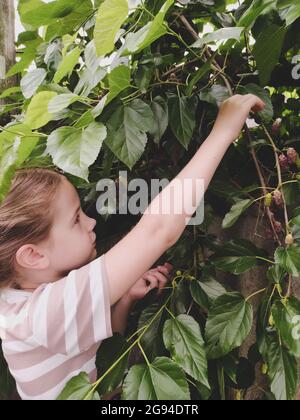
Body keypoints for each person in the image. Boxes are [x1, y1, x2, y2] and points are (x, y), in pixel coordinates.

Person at [0, 94, 265, 399]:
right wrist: (223, 132)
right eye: (75, 219)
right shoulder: (45, 314)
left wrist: (123, 299)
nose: (91, 223)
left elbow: (96, 353)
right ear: (33, 255)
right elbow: (157, 230)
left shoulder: (16, 297)